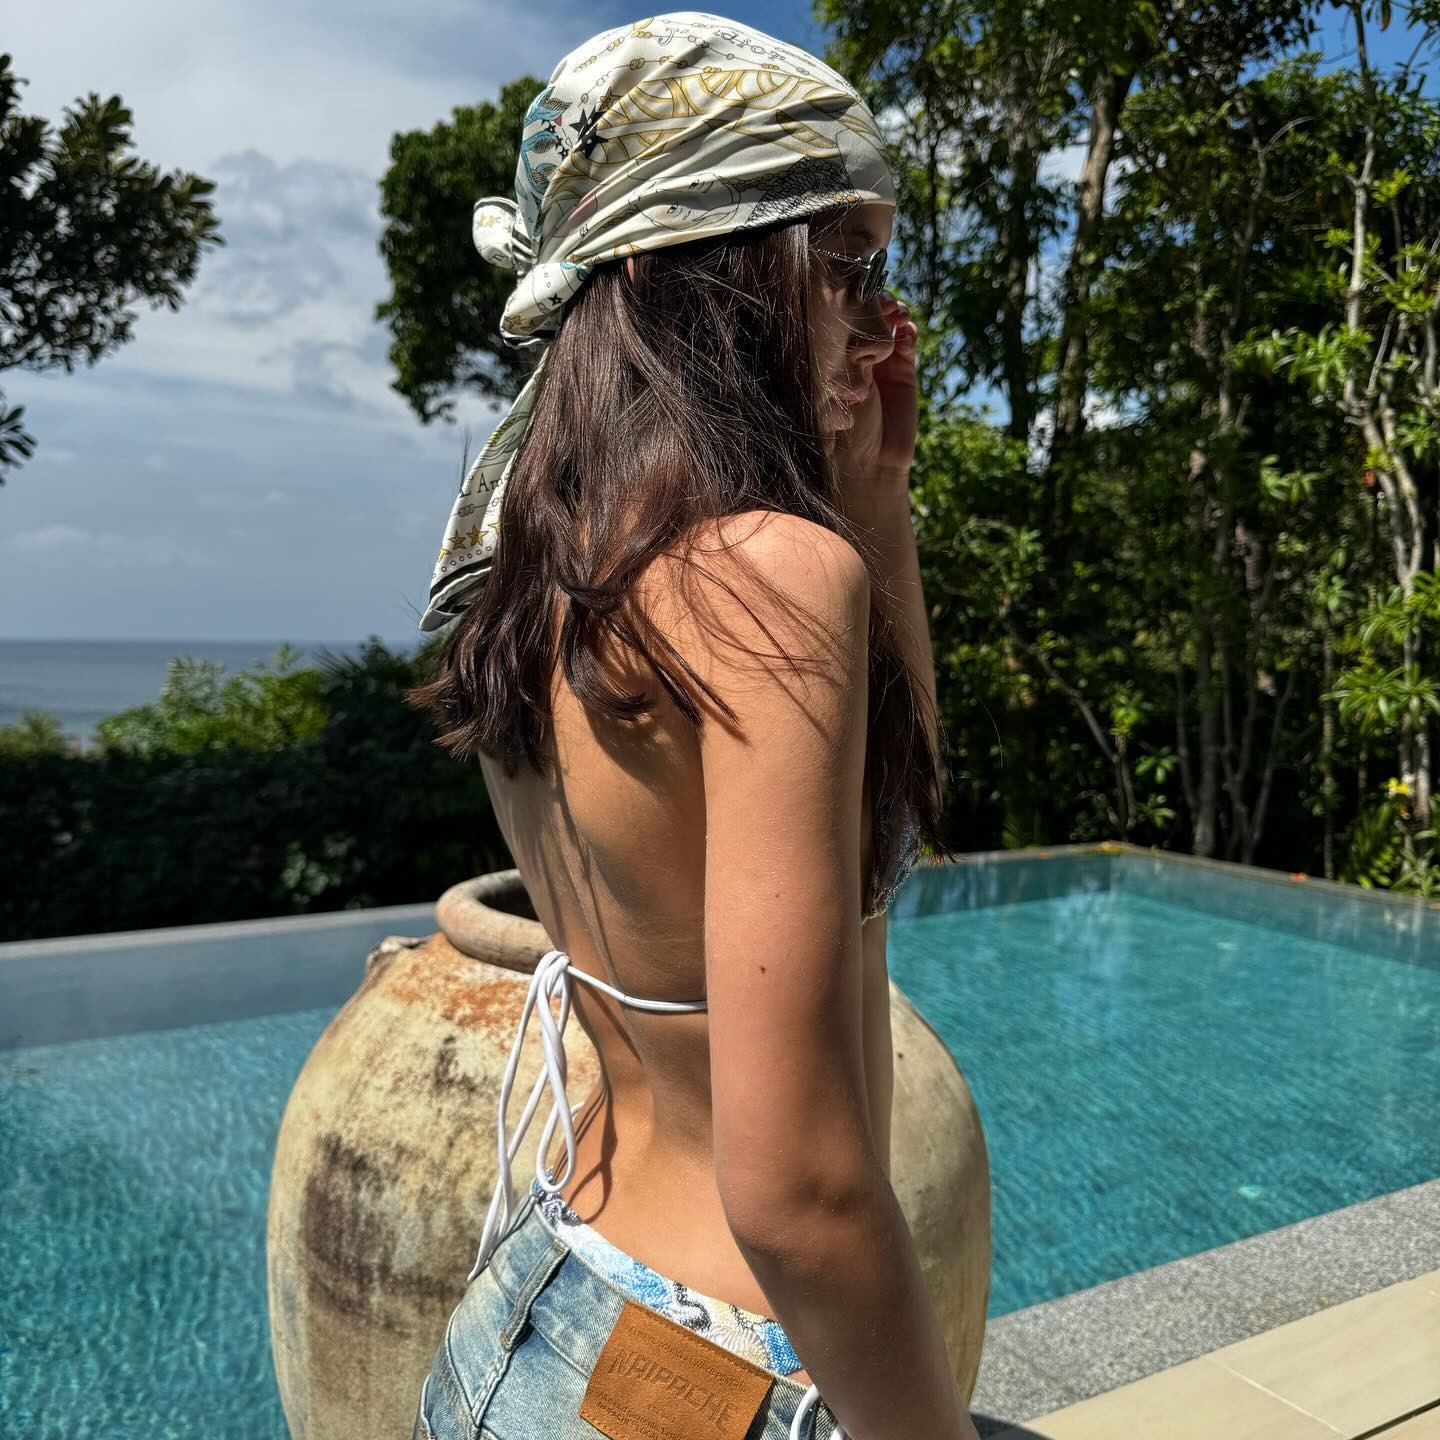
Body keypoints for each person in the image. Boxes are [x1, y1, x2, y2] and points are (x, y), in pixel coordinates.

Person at [404, 12, 982, 1439]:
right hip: (711, 1358)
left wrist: (879, 506)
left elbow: (874, 831)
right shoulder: (768, 578)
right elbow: (798, 1192)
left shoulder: (548, 566)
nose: (879, 322)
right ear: (733, 266)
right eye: (850, 265)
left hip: (548, 1303)